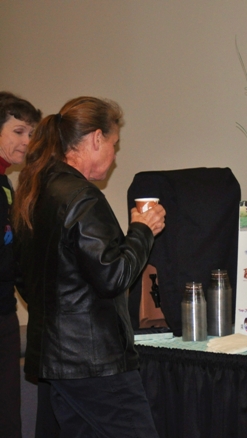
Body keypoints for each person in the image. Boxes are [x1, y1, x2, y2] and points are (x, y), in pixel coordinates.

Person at [13, 96, 166, 437]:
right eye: (114, 144)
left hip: (56, 359)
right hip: (94, 362)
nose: (114, 156)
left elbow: (24, 276)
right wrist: (142, 230)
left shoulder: (35, 189)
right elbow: (113, 276)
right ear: (97, 138)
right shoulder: (81, 196)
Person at [0, 91, 41, 438]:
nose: (27, 141)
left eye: (31, 133)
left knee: (8, 416)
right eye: (18, 131)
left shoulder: (6, 184)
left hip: (4, 312)